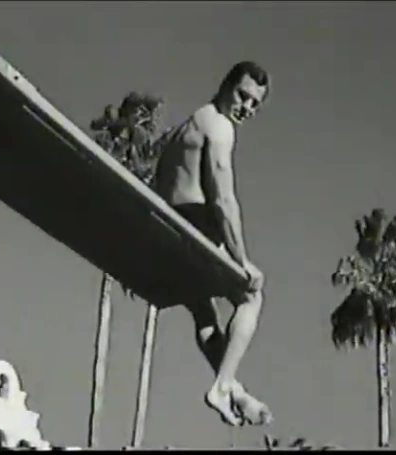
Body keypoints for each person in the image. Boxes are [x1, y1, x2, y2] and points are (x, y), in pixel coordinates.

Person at [153, 61, 272, 426]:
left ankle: (233, 389)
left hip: (165, 238)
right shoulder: (219, 126)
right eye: (243, 96)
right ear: (225, 85)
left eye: (255, 104)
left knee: (205, 316)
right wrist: (241, 260)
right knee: (251, 295)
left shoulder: (184, 128)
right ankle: (221, 387)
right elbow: (223, 199)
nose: (246, 108)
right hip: (194, 229)